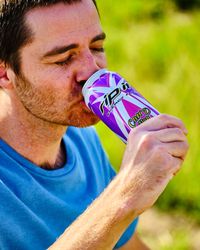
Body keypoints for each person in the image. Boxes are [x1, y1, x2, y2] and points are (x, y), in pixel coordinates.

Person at [0, 0, 189, 249]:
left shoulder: (83, 141)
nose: (92, 71)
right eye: (64, 59)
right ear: (4, 73)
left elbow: (127, 245)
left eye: (97, 47)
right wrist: (124, 197)